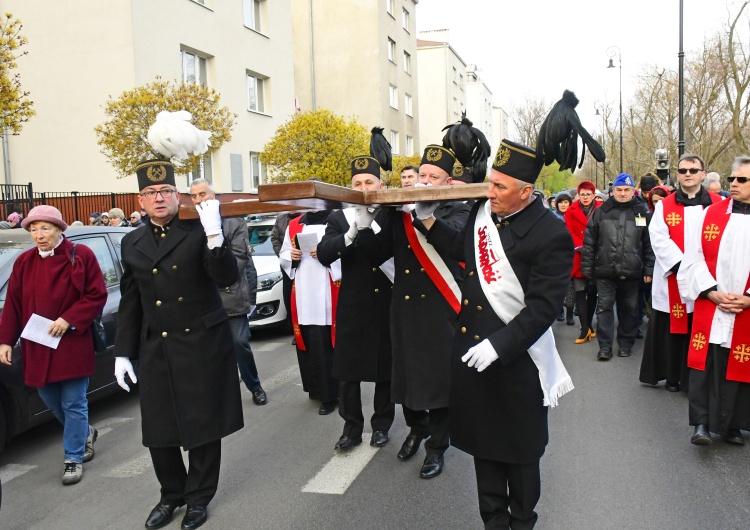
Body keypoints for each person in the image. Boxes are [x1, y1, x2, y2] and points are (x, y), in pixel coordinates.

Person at [418, 138, 575, 529]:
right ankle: (493, 523)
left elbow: (543, 309)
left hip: (517, 363)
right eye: (490, 183)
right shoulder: (484, 213)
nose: (490, 192)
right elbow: (460, 249)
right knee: (484, 452)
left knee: (520, 457)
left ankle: (522, 523)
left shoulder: (551, 234)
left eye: (500, 187)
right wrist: (428, 220)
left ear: (526, 191)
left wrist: (498, 344)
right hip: (475, 356)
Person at [114, 126, 242, 529]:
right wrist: (122, 351)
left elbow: (224, 278)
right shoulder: (132, 242)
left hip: (201, 340)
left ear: (176, 195)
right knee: (160, 428)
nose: (158, 198)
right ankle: (171, 495)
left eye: (165, 191)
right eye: (151, 194)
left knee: (202, 424)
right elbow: (131, 300)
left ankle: (199, 497)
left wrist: (215, 235)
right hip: (158, 346)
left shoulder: (197, 230)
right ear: (141, 200)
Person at [356, 144, 471, 479]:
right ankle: (416, 428)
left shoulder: (458, 209)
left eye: (433, 176)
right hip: (404, 307)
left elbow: (454, 244)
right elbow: (379, 254)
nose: (425, 180)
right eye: (422, 174)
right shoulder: (401, 211)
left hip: (440, 309)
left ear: (447, 182)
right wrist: (363, 228)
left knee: (437, 381)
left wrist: (427, 217)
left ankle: (437, 446)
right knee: (405, 377)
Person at [0, 205, 107, 485]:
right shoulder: (23, 262)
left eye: (45, 228)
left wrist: (69, 319)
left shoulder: (81, 256)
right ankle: (84, 433)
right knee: (50, 401)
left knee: (73, 401)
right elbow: (12, 304)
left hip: (71, 343)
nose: (39, 235)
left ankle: (73, 457)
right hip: (37, 344)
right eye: (33, 230)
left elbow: (97, 295)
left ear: (59, 229)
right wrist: (5, 341)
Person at [317, 149, 395, 451]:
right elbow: (324, 254)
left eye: (369, 182)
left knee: (384, 369)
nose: (363, 189)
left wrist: (369, 227)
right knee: (348, 372)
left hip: (386, 301)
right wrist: (350, 234)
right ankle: (351, 428)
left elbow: (388, 251)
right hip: (354, 304)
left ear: (381, 186)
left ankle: (381, 425)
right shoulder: (339, 217)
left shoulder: (392, 214)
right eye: (357, 183)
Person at [678, 155, 750, 446]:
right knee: (704, 365)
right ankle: (702, 424)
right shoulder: (710, 214)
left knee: (738, 363)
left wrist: (747, 299)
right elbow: (692, 258)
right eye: (732, 178)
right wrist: (710, 290)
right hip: (714, 303)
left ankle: (733, 425)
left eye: (741, 180)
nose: (733, 183)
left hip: (744, 308)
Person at [640, 154, 722, 393]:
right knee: (672, 331)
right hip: (672, 278)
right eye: (683, 171)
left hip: (708, 279)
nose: (688, 174)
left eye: (693, 170)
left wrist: (704, 274)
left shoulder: (718, 204)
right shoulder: (665, 205)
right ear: (677, 175)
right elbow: (659, 239)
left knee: (701, 327)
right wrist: (683, 268)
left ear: (703, 174)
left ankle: (696, 378)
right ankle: (673, 376)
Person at [189, 178, 267, 406]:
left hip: (231, 294)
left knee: (240, 342)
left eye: (202, 194)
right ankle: (219, 391)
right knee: (210, 348)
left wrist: (219, 274)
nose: (198, 200)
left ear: (214, 195)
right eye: (194, 196)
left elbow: (240, 258)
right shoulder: (191, 222)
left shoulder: (233, 221)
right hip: (203, 298)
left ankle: (254, 385)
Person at [581, 173, 655, 360]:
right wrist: (588, 270)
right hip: (605, 270)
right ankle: (605, 347)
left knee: (629, 309)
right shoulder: (601, 212)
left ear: (633, 191)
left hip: (632, 271)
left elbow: (650, 244)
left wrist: (648, 269)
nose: (622, 194)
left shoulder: (643, 212)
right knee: (604, 309)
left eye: (626, 190)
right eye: (619, 190)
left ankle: (625, 343)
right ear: (613, 191)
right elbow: (589, 243)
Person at [280, 205, 340, 414]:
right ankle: (315, 389)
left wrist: (326, 253)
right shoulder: (295, 224)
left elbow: (346, 251)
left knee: (326, 343)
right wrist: (291, 256)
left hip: (327, 291)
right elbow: (284, 253)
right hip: (304, 292)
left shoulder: (337, 219)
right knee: (310, 343)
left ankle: (331, 394)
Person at [565, 181, 601, 343]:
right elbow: (569, 231)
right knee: (580, 291)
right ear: (578, 195)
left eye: (588, 194)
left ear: (594, 195)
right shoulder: (571, 211)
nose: (585, 197)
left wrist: (593, 245)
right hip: (579, 254)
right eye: (582, 194)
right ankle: (584, 327)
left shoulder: (601, 208)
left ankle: (589, 326)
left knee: (592, 292)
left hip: (596, 255)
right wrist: (582, 244)